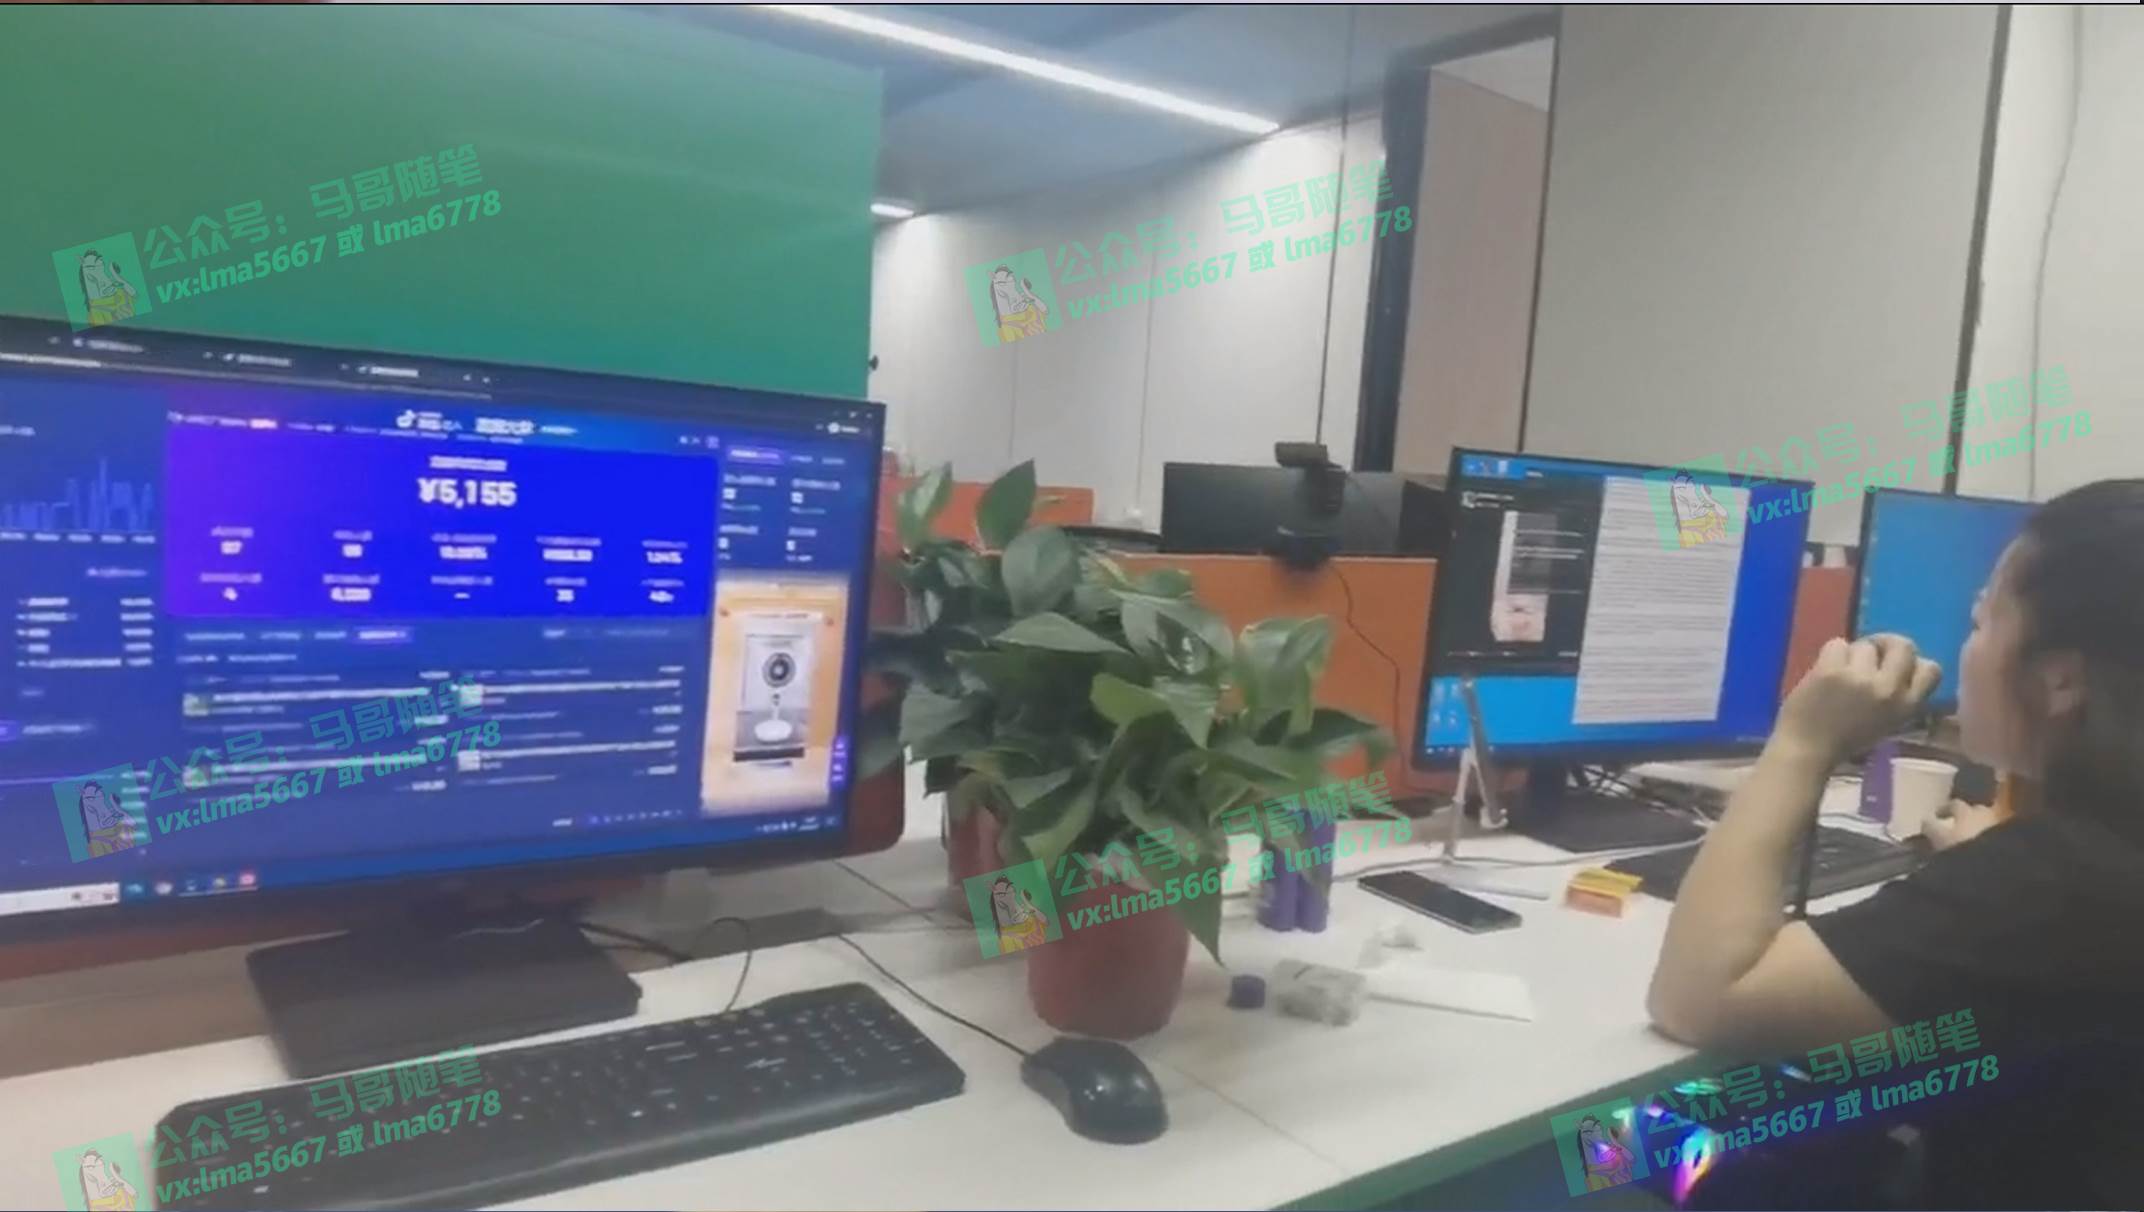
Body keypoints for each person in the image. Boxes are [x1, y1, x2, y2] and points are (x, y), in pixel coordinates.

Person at [1646, 479, 2144, 1209]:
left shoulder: (2049, 887)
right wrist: (1996, 859)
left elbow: (1698, 996)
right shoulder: (2074, 875)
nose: (1963, 651)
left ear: (2061, 678)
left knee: (1619, 1139)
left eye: (1980, 622)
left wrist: (1804, 740)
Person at [989, 877, 1051, 953]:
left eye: (1012, 892)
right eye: (1002, 894)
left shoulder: (1031, 921)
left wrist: (1027, 903)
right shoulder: (1005, 938)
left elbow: (1046, 922)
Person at [78, 780, 138, 857]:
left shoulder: (117, 829)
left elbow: (133, 825)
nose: (108, 813)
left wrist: (119, 810)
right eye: (91, 799)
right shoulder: (96, 845)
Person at [77, 251, 138, 327]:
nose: (108, 281)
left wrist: (117, 277)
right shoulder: (95, 313)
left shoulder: (120, 293)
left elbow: (134, 294)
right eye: (92, 268)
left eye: (101, 266)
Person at [989, 266, 1048, 343]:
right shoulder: (1007, 329)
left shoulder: (1030, 310)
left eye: (1012, 281)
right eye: (1003, 283)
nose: (1019, 296)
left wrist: (1029, 294)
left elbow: (1045, 310)